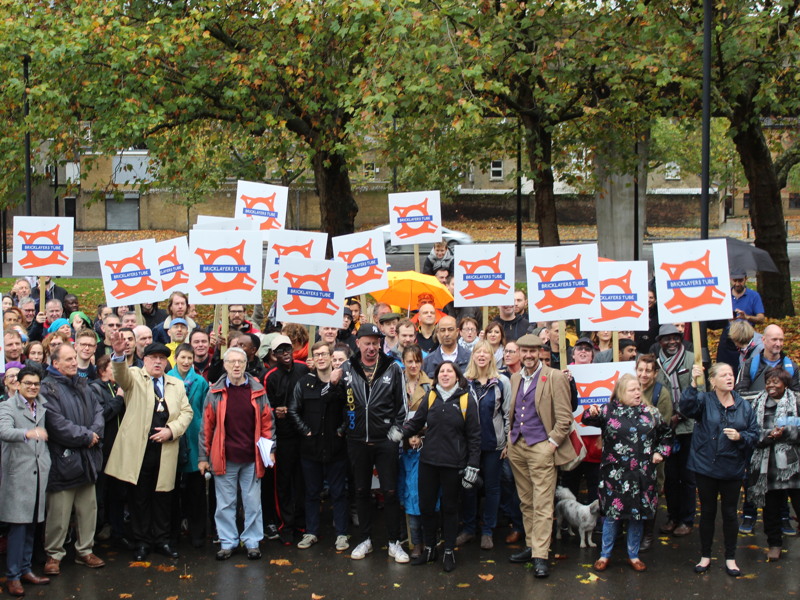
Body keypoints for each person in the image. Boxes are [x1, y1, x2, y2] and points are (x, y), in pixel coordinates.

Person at [106, 336, 193, 561]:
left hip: (165, 448)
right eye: (153, 357)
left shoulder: (176, 384)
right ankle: (142, 542)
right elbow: (120, 375)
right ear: (144, 360)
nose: (157, 362)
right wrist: (118, 356)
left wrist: (171, 430)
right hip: (140, 450)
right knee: (139, 498)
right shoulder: (135, 377)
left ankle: (162, 540)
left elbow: (187, 412)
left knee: (163, 497)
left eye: (162, 358)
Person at [330, 323, 409, 563]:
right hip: (357, 442)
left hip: (385, 442)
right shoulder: (346, 368)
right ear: (358, 343)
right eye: (367, 342)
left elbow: (402, 407)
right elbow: (336, 405)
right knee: (361, 491)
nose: (372, 347)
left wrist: (393, 438)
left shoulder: (393, 368)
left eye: (376, 343)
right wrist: (331, 382)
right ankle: (365, 539)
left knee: (390, 492)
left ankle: (394, 542)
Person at [583, 374, 673, 573]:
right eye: (632, 389)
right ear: (621, 392)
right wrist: (592, 411)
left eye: (639, 389)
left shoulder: (651, 413)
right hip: (615, 475)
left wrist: (660, 452)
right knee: (612, 516)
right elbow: (587, 419)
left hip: (642, 475)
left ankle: (633, 555)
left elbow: (667, 435)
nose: (637, 392)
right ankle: (605, 554)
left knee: (637, 516)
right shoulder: (608, 411)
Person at [397, 361, 480, 572]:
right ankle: (431, 548)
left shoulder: (466, 400)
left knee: (450, 508)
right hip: (429, 462)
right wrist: (400, 433)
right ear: (436, 376)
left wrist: (473, 465)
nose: (444, 375)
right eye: (441, 371)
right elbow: (416, 422)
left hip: (453, 464)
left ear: (456, 376)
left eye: (449, 371)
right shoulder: (431, 397)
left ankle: (449, 550)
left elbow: (474, 437)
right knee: (426, 507)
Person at [506, 333, 577, 578]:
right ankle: (531, 545)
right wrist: (509, 438)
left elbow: (565, 417)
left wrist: (551, 444)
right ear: (519, 353)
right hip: (517, 446)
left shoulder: (555, 377)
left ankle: (541, 555)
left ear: (540, 353)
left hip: (541, 447)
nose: (528, 355)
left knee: (543, 503)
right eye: (523, 351)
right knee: (526, 501)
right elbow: (513, 412)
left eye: (532, 351)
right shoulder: (514, 378)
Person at [681, 362, 758, 577]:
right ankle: (705, 556)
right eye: (723, 375)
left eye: (731, 374)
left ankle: (731, 558)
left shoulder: (743, 405)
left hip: (732, 468)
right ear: (712, 381)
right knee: (707, 512)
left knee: (730, 513)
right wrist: (693, 384)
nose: (729, 378)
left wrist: (741, 436)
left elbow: (755, 434)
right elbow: (686, 409)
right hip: (706, 466)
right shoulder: (704, 400)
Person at [199, 347, 275, 561]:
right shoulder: (215, 392)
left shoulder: (257, 390)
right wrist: (203, 457)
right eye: (231, 361)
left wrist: (270, 449)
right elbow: (206, 426)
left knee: (252, 502)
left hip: (252, 457)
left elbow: (267, 422)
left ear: (246, 364)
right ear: (224, 365)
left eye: (240, 361)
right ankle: (227, 542)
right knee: (225, 503)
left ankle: (252, 542)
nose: (236, 366)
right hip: (224, 456)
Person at [40, 344, 105, 575]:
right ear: (55, 363)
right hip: (63, 460)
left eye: (73, 359)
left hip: (87, 458)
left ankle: (85, 550)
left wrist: (93, 434)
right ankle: (54, 554)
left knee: (88, 508)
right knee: (59, 511)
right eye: (67, 360)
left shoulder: (83, 385)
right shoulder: (47, 388)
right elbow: (56, 424)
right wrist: (86, 436)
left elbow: (99, 411)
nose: (73, 363)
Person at [287, 341, 350, 552]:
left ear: (332, 357)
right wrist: (305, 430)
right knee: (311, 492)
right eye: (317, 355)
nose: (321, 358)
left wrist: (342, 430)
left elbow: (350, 409)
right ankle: (311, 531)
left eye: (324, 354)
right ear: (312, 359)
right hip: (311, 448)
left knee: (339, 493)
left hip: (336, 447)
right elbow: (293, 409)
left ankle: (341, 533)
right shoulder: (304, 382)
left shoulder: (342, 383)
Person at [0, 367, 52, 596]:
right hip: (17, 476)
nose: (32, 387)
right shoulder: (7, 407)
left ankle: (25, 569)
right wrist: (27, 433)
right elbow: (4, 431)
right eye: (28, 383)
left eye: (36, 383)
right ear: (18, 384)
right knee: (18, 528)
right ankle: (12, 576)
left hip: (39, 473)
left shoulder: (41, 406)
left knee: (32, 526)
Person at [457, 340, 511, 550]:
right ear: (472, 356)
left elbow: (507, 413)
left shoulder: (501, 382)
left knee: (492, 487)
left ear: (491, 356)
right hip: (470, 445)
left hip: (493, 444)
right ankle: (469, 529)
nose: (481, 355)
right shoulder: (464, 382)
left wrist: (507, 441)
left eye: (485, 352)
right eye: (477, 351)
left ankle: (488, 530)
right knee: (468, 486)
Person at [746, 368, 800, 561]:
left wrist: (785, 433)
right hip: (767, 467)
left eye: (776, 382)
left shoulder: (797, 401)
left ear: (785, 384)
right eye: (768, 382)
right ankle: (774, 544)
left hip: (794, 466)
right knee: (771, 509)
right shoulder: (756, 404)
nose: (771, 385)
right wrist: (768, 436)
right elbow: (751, 433)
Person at [656, 323, 701, 538]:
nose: (672, 341)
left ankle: (687, 518)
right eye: (667, 338)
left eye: (676, 337)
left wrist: (680, 415)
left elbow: (699, 391)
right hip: (667, 428)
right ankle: (673, 516)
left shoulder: (692, 359)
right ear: (660, 342)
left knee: (688, 475)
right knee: (671, 476)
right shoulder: (655, 363)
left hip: (688, 426)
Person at [264, 334, 310, 545]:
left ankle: (302, 521)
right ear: (273, 355)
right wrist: (275, 410)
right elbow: (264, 408)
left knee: (302, 480)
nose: (285, 354)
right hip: (282, 437)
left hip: (303, 434)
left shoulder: (303, 369)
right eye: (281, 351)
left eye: (288, 349)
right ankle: (285, 524)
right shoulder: (270, 376)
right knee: (282, 483)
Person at [167, 343, 210, 548]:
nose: (186, 362)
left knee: (196, 490)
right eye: (182, 358)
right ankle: (172, 533)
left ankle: (197, 533)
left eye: (189, 359)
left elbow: (204, 409)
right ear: (176, 358)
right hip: (174, 435)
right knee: (172, 491)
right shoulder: (168, 379)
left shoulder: (200, 382)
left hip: (194, 436)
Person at [398, 345, 432, 559]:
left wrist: (418, 434)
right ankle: (406, 536)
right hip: (399, 443)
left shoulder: (429, 386)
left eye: (416, 361)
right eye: (409, 361)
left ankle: (421, 541)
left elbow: (432, 414)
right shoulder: (395, 381)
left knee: (419, 494)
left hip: (421, 444)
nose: (413, 365)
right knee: (402, 492)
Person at [715, 271, 765, 377]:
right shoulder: (724, 296)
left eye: (740, 281)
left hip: (746, 337)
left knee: (745, 370)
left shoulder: (753, 296)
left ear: (746, 279)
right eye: (735, 280)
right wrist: (726, 318)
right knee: (723, 370)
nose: (738, 284)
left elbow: (761, 318)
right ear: (730, 280)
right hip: (728, 338)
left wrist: (747, 317)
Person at [737, 324, 800, 393]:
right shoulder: (749, 365)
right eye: (774, 339)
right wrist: (765, 399)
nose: (778, 344)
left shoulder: (791, 367)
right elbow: (740, 394)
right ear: (763, 340)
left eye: (781, 340)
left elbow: (797, 395)